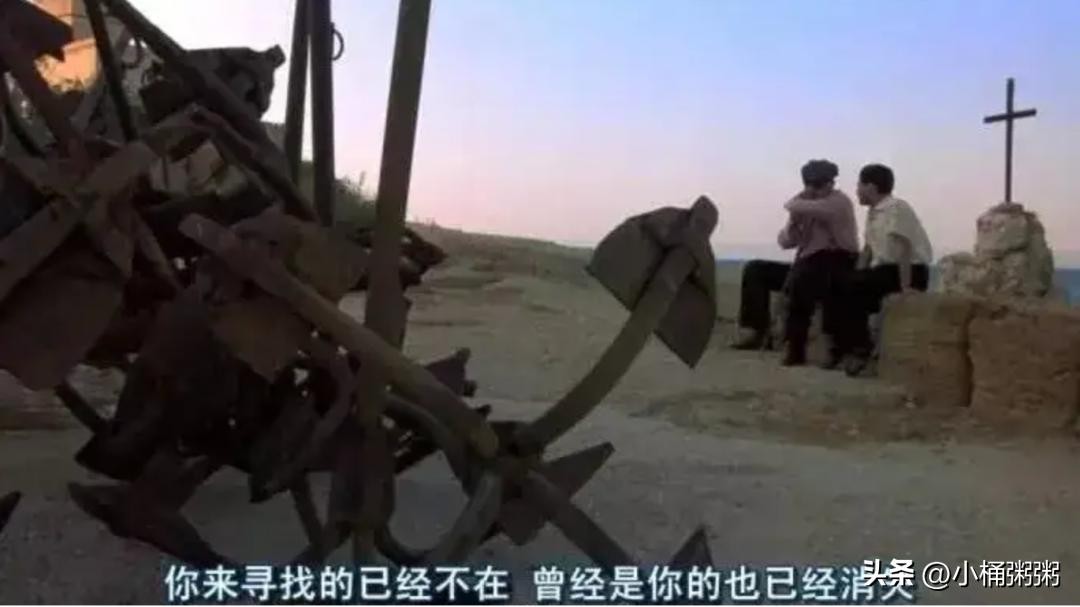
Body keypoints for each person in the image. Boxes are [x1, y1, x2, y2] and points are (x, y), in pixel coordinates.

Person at [732, 159, 860, 367]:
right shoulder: (806, 208)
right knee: (756, 270)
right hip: (807, 263)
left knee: (807, 275)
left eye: (821, 184)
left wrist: (798, 203)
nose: (819, 189)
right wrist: (793, 222)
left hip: (838, 261)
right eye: (813, 185)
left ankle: (801, 346)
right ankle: (756, 330)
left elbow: (794, 205)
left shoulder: (838, 202)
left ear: (831, 183)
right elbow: (785, 242)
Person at [834, 163, 933, 376]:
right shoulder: (873, 213)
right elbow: (868, 250)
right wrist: (856, 274)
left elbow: (904, 248)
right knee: (842, 284)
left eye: (859, 185)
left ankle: (861, 350)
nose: (857, 191)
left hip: (908, 271)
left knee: (856, 287)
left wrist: (906, 288)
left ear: (871, 186)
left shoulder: (896, 208)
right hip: (885, 271)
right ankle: (848, 347)